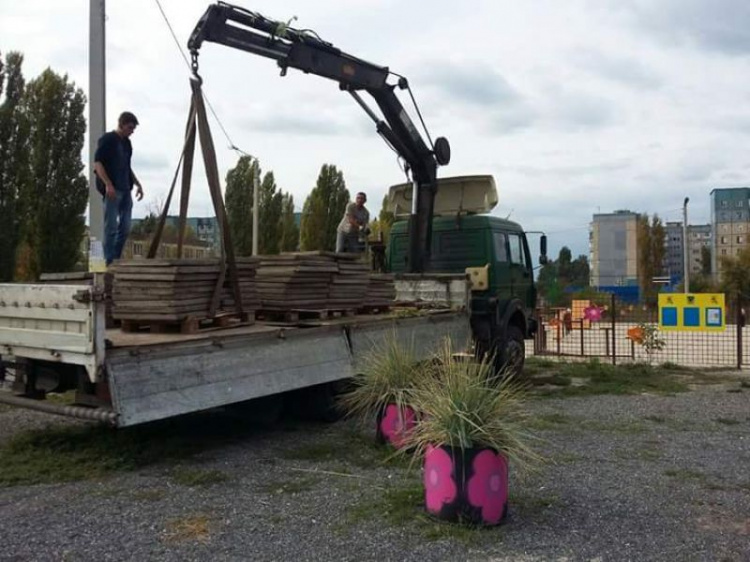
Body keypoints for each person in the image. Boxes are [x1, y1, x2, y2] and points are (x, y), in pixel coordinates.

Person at [94, 111, 144, 266]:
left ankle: (115, 258)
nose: (131, 131)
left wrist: (137, 183)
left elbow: (127, 166)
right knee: (111, 227)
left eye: (133, 128)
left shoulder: (127, 144)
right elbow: (98, 163)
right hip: (113, 190)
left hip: (125, 188)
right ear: (121, 124)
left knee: (126, 226)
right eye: (130, 127)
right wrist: (108, 184)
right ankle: (108, 261)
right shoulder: (108, 140)